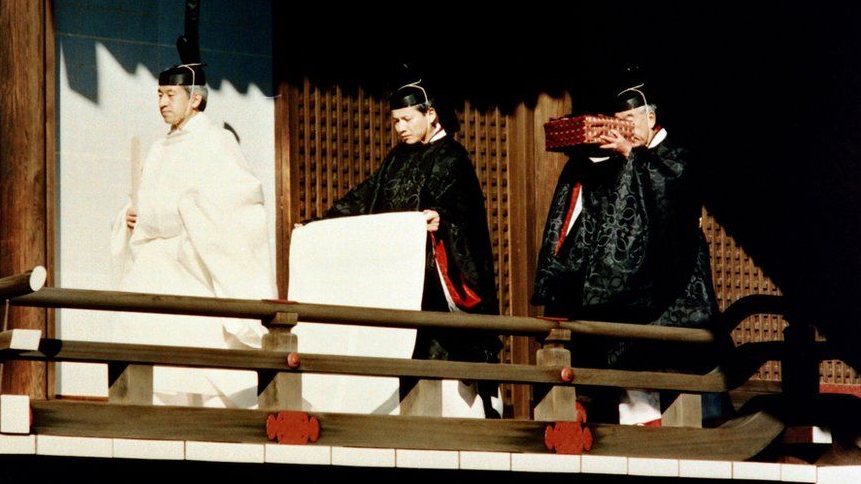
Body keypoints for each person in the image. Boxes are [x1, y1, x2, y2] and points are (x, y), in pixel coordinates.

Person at [531, 74, 724, 425]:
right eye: (619, 124)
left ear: (651, 118)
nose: (626, 130)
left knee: (682, 364)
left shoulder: (676, 158)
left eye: (631, 122)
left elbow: (669, 198)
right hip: (636, 284)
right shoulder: (627, 159)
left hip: (677, 285)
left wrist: (629, 155)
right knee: (628, 358)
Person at [319, 76, 503, 418]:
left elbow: (465, 219)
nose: (400, 128)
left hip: (437, 288)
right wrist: (323, 221)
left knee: (446, 375)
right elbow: (366, 195)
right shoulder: (396, 159)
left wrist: (441, 221)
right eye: (395, 121)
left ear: (431, 114)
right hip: (399, 285)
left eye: (407, 119)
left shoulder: (453, 158)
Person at [110, 63, 275, 406]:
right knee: (148, 353)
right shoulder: (158, 149)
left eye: (170, 95)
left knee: (197, 359)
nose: (162, 103)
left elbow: (239, 200)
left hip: (192, 263)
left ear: (195, 99)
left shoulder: (217, 141)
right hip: (153, 265)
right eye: (159, 95)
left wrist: (187, 212)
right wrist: (129, 216)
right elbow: (142, 199)